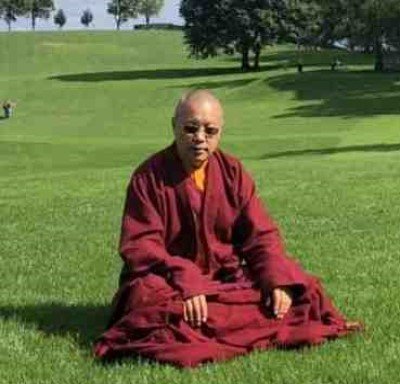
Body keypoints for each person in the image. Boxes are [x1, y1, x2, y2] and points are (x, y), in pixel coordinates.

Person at [94, 90, 361, 367]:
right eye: (190, 128)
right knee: (153, 305)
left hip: (223, 280)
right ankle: (230, 322)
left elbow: (261, 235)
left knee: (300, 290)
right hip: (169, 282)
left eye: (210, 130)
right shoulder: (148, 177)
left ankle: (207, 324)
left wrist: (276, 279)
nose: (200, 138)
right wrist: (185, 278)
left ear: (220, 132)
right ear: (173, 126)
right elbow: (140, 246)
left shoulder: (232, 171)